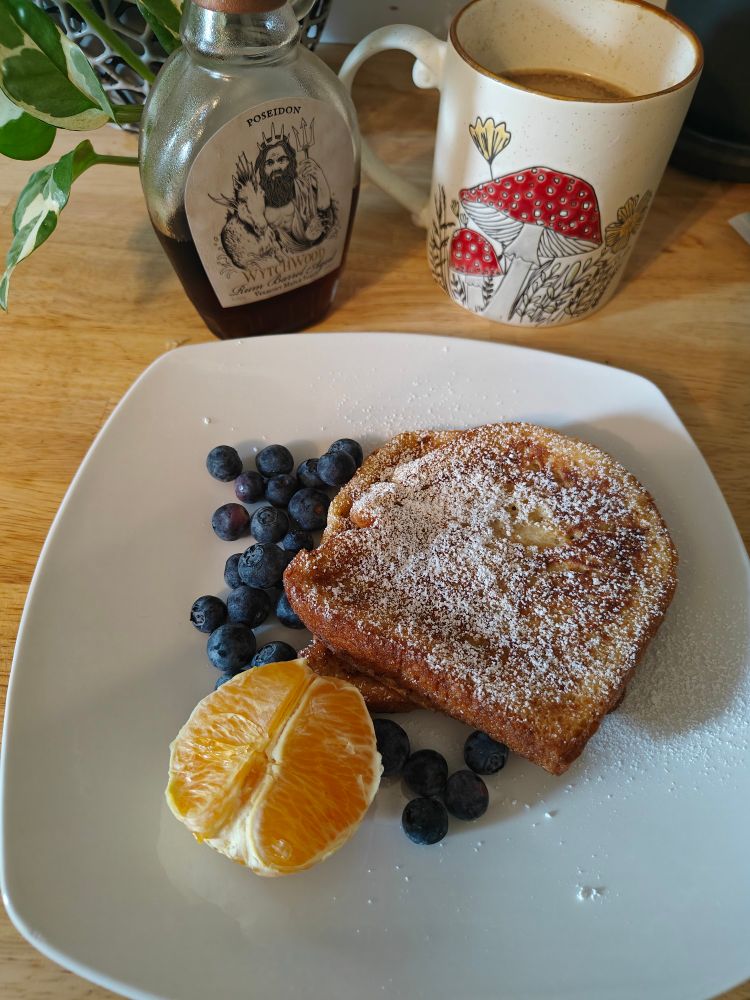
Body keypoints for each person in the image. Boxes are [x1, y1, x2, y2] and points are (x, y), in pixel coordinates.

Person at [254, 136, 334, 248]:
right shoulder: (257, 199)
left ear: (291, 162)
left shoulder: (304, 189)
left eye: (282, 160)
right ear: (263, 169)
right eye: (270, 163)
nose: (276, 167)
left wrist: (321, 179)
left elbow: (323, 209)